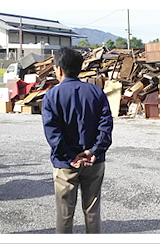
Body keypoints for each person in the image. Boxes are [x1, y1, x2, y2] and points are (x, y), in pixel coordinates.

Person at [41, 47, 113, 234]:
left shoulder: (51, 95)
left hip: (65, 163)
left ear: (59, 69)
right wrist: (94, 151)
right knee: (92, 211)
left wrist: (70, 155)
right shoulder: (96, 92)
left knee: (64, 215)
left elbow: (52, 133)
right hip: (94, 161)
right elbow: (106, 126)